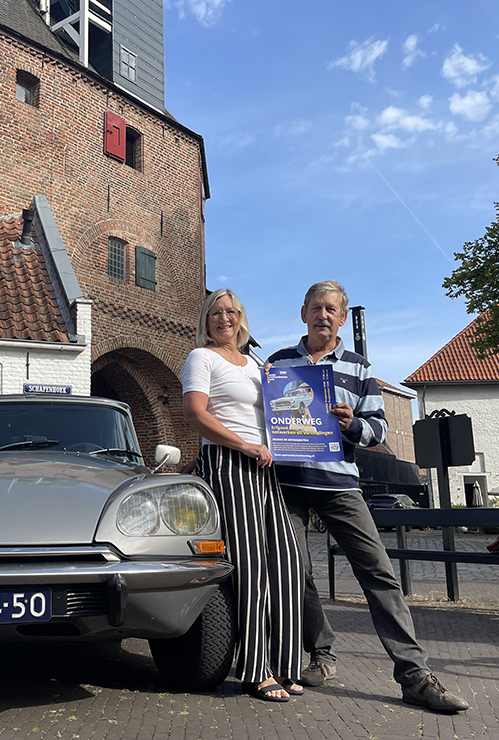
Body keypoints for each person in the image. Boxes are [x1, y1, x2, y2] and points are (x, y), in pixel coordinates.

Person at [266, 280, 470, 713]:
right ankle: (321, 654)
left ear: (342, 318)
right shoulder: (277, 364)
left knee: (378, 573)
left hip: (340, 484)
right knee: (296, 572)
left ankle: (413, 674)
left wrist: (350, 424)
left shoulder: (360, 368)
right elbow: (261, 420)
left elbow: (379, 428)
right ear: (303, 313)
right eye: (316, 308)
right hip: (288, 485)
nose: (324, 315)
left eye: (331, 309)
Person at [180, 289, 303, 702]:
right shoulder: (202, 358)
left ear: (242, 318)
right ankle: (254, 669)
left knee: (286, 562)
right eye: (216, 313)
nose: (224, 319)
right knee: (250, 566)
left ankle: (286, 663)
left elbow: (284, 412)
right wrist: (243, 446)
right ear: (206, 320)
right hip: (231, 463)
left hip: (266, 466)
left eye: (231, 312)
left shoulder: (255, 363)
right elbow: (196, 414)